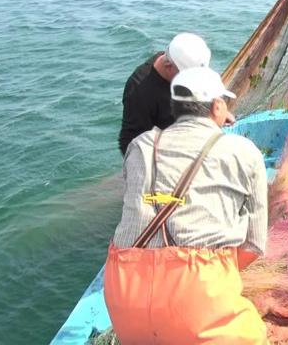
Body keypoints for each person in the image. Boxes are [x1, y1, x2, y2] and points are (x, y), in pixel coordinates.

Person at [104, 65, 269, 344]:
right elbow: (254, 245)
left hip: (124, 294)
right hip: (197, 298)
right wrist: (213, 273)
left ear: (174, 107)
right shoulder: (243, 151)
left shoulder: (141, 146)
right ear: (218, 106)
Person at [117, 32, 213, 155]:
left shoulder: (186, 60)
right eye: (187, 76)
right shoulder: (139, 90)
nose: (191, 81)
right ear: (168, 65)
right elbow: (129, 142)